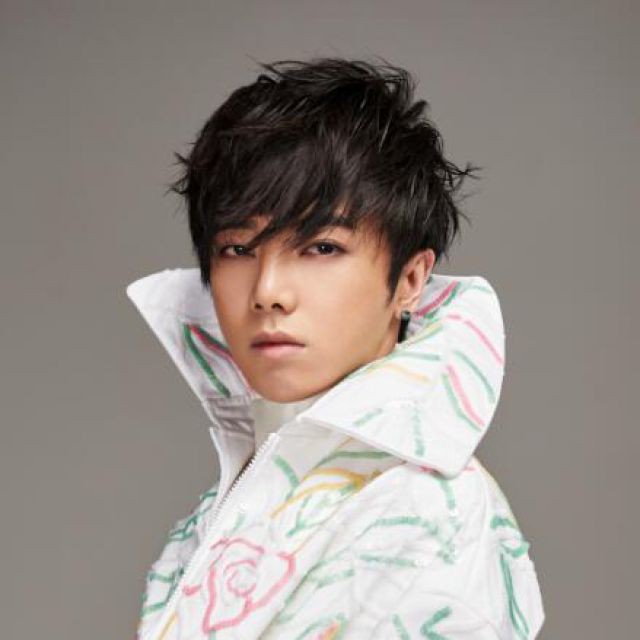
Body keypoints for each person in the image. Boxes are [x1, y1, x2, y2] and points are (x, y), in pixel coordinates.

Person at [126, 56, 545, 639]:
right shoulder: (248, 492)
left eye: (321, 248)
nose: (268, 292)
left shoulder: (427, 512)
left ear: (410, 279)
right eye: (238, 250)